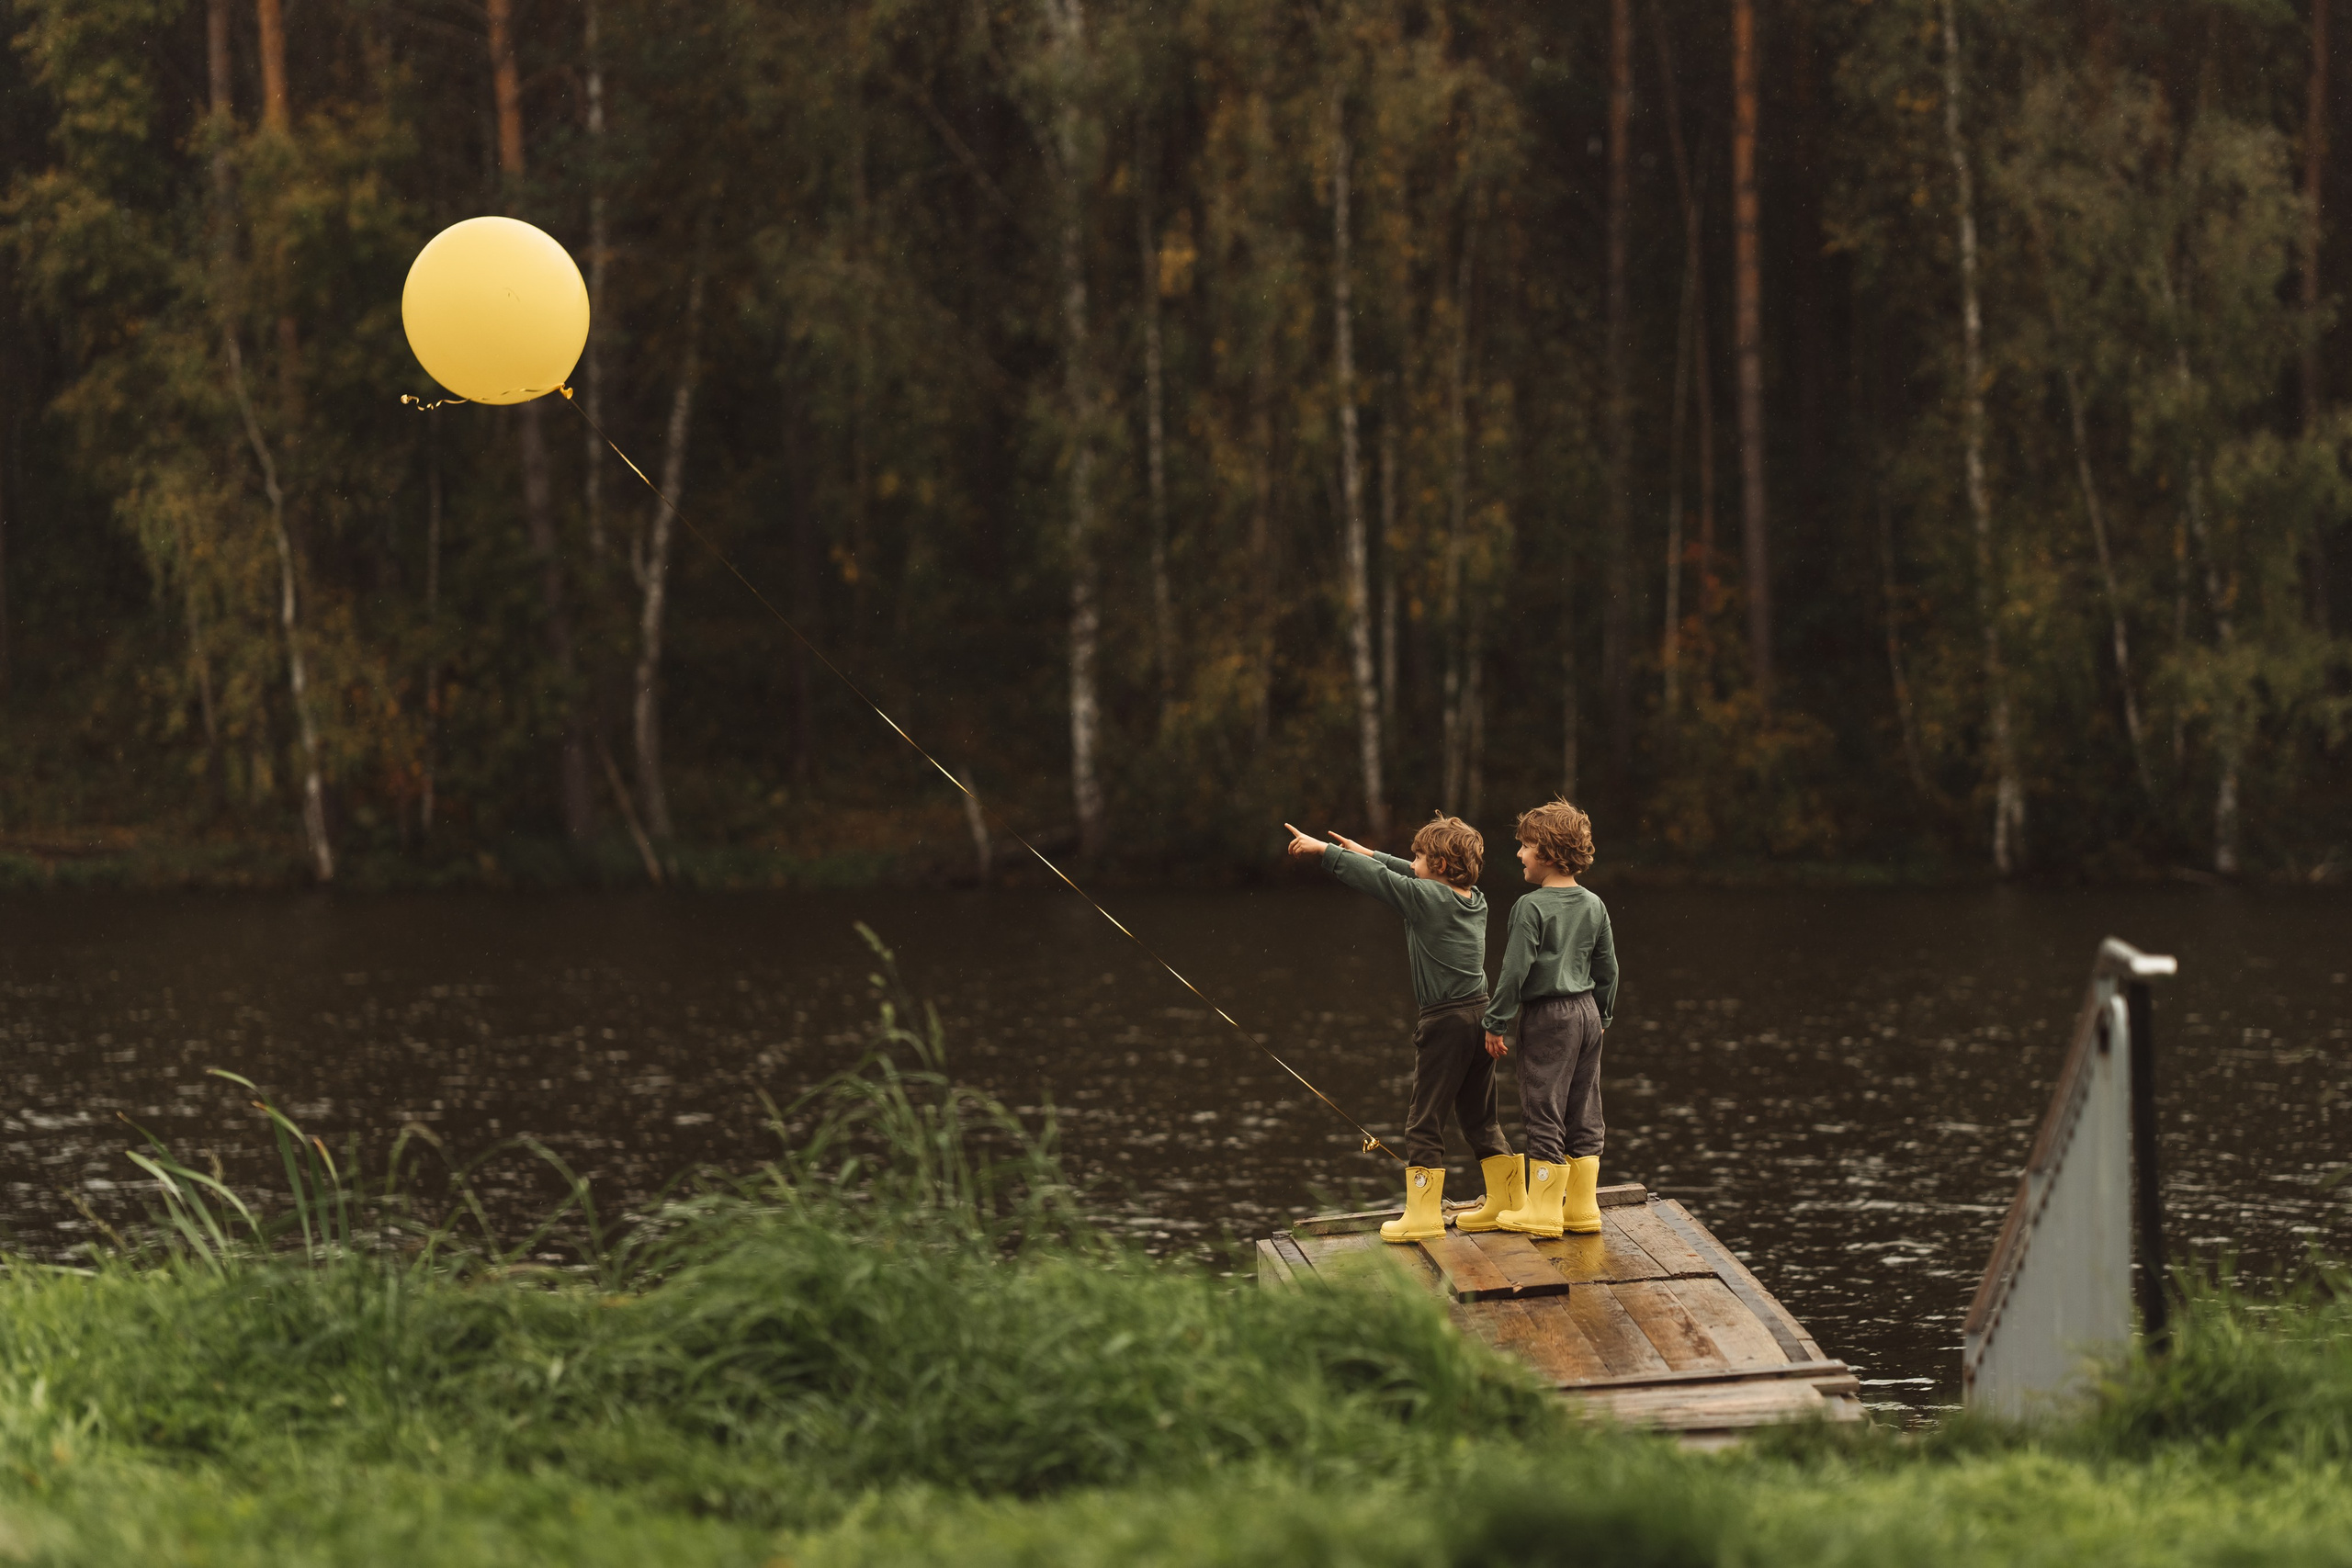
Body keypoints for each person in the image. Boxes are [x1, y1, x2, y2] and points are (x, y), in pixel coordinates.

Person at [1283, 814, 1522, 1244]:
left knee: (1424, 1118)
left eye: (1419, 856)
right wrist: (1366, 851)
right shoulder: (1475, 899)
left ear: (1442, 866)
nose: (1412, 861)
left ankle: (1424, 1216)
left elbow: (1380, 881)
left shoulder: (1426, 899)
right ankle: (1507, 1201)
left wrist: (1325, 852)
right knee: (1480, 1116)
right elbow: (1396, 871)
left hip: (1445, 1021)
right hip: (1480, 1015)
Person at [1481, 798, 1617, 1238]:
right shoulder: (1594, 904)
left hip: (1548, 1015)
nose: (1519, 854)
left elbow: (1514, 971)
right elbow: (1608, 968)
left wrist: (1496, 1021)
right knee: (1584, 1105)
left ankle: (1542, 1210)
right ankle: (1581, 1209)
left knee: (1543, 1105)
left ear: (1549, 852)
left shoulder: (1530, 906)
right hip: (1587, 1012)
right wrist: (1603, 1016)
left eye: (1526, 845)